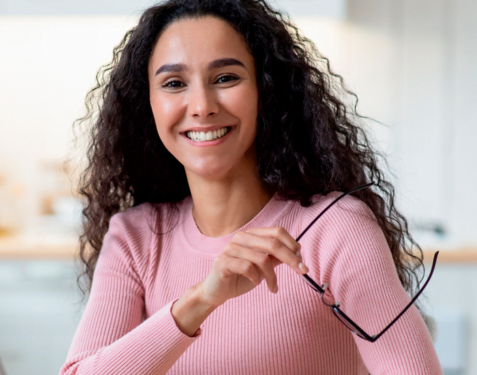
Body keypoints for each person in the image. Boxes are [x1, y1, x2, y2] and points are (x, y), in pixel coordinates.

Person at [60, 0, 442, 374]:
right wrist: (201, 300)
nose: (201, 106)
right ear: (150, 105)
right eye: (174, 83)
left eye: (225, 78)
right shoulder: (135, 237)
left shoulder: (337, 228)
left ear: (265, 91)